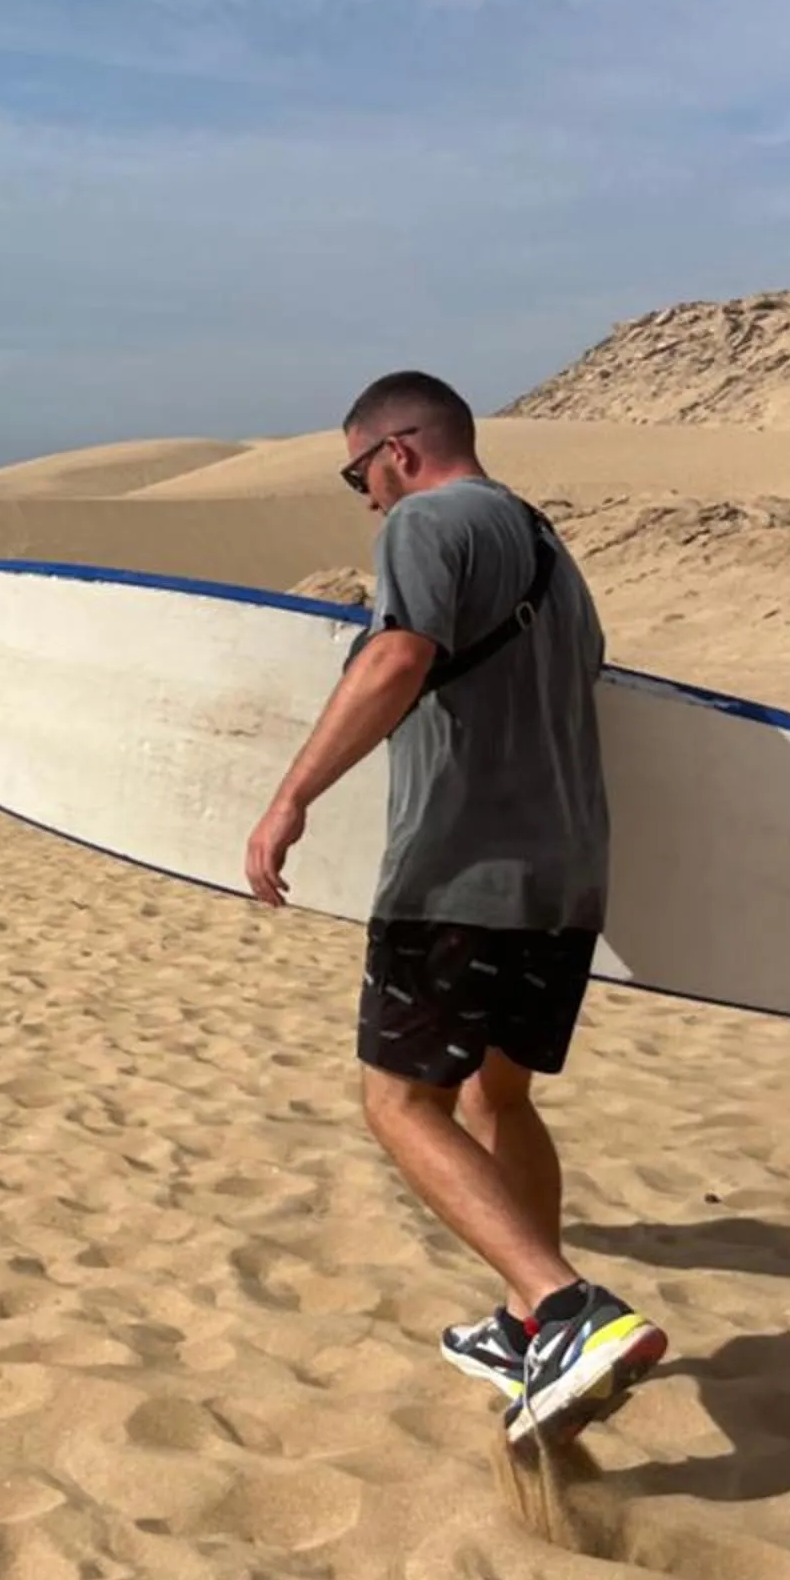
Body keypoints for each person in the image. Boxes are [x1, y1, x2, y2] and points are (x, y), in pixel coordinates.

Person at [244, 369, 666, 1446]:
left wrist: (290, 798)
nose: (366, 500)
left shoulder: (430, 523)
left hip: (459, 875)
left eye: (358, 475)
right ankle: (532, 1330)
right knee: (498, 1099)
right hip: (565, 882)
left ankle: (567, 1308)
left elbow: (397, 657)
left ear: (399, 450)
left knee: (398, 1105)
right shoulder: (550, 552)